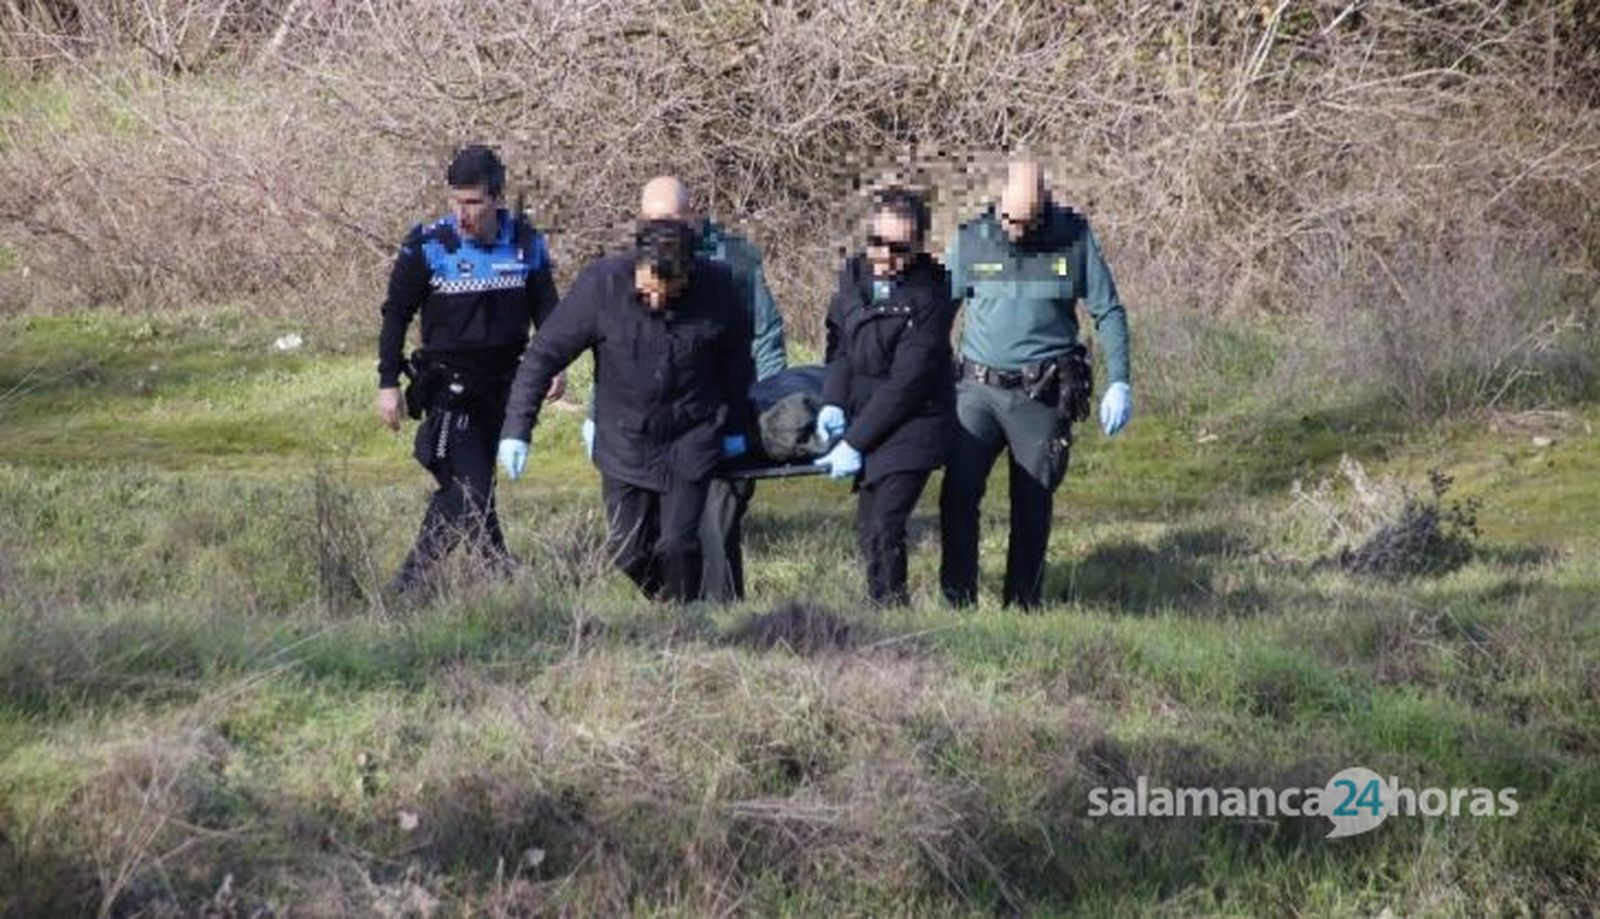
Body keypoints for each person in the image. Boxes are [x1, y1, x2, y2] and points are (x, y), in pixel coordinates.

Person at [497, 202, 755, 603]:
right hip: (624, 441)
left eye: (664, 294)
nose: (653, 299)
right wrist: (518, 429)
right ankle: (670, 603)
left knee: (678, 545)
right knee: (627, 551)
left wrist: (739, 426)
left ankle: (689, 623)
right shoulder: (602, 287)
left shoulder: (719, 289)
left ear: (688, 276)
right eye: (648, 288)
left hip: (691, 437)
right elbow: (543, 355)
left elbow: (738, 364)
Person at [938, 158, 1133, 610]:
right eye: (1008, 219)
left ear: (1044, 207)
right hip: (977, 390)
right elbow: (937, 314)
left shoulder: (1074, 238)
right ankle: (957, 601)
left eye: (1025, 222)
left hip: (1041, 394)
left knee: (1032, 504)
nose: (1015, 230)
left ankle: (1023, 605)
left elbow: (1108, 311)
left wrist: (1119, 381)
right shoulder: (973, 240)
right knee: (959, 495)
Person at [582, 176, 787, 601]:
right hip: (652, 429)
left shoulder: (735, 261)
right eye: (654, 220)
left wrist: (751, 418)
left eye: (672, 219)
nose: (663, 230)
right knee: (648, 542)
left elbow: (764, 340)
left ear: (693, 215)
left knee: (715, 525)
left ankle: (725, 621)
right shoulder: (629, 265)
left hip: (719, 417)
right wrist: (594, 413)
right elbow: (617, 350)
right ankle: (676, 608)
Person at [375, 144, 564, 597]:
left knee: (481, 489)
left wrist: (555, 363)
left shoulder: (525, 243)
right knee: (470, 490)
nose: (464, 213)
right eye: (456, 201)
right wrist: (387, 383)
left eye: (474, 203)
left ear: (497, 198)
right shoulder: (427, 246)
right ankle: (409, 584)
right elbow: (395, 315)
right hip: (448, 388)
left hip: (504, 389)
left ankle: (498, 577)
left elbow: (549, 311)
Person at [813, 188, 956, 607]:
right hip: (864, 416)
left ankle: (894, 616)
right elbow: (840, 345)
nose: (885, 256)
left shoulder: (931, 295)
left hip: (914, 423)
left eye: (898, 247)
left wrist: (855, 442)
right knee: (868, 530)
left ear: (917, 247)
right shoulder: (855, 276)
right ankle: (882, 610)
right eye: (877, 242)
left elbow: (906, 385)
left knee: (885, 524)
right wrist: (833, 402)